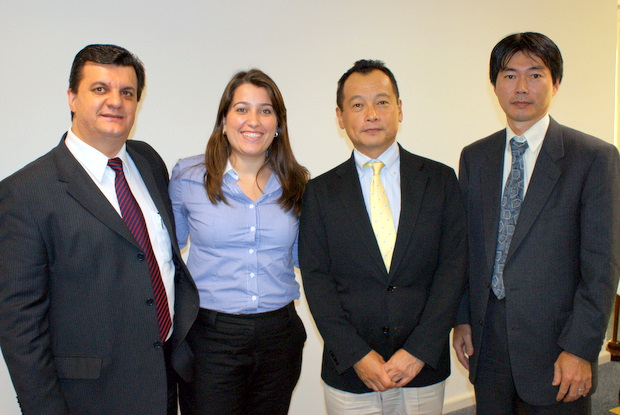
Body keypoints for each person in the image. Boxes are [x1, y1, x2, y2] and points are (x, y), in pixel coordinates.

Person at [0, 44, 199, 415]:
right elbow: (19, 326)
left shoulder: (148, 161)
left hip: (164, 377)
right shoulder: (25, 192)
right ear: (72, 97)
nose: (116, 101)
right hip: (90, 396)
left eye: (127, 92)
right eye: (100, 89)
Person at [452, 32, 620, 414]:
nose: (521, 87)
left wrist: (580, 348)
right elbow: (467, 249)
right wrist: (462, 320)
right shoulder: (475, 157)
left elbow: (602, 266)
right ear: (495, 84)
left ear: (555, 82)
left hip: (557, 346)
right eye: (509, 75)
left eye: (535, 74)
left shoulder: (593, 157)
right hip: (487, 342)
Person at [298, 59, 467, 415]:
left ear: (399, 109)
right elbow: (316, 280)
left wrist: (419, 350)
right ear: (340, 117)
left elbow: (453, 269)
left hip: (423, 367)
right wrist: (356, 355)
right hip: (351, 371)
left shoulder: (440, 180)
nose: (371, 114)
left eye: (382, 102)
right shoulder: (320, 192)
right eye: (358, 104)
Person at [169, 69, 309, 415]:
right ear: (223, 120)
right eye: (242, 109)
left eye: (265, 110)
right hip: (211, 338)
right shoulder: (188, 177)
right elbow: (165, 252)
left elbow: (305, 258)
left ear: (278, 124)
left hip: (279, 336)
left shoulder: (297, 183)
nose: (254, 120)